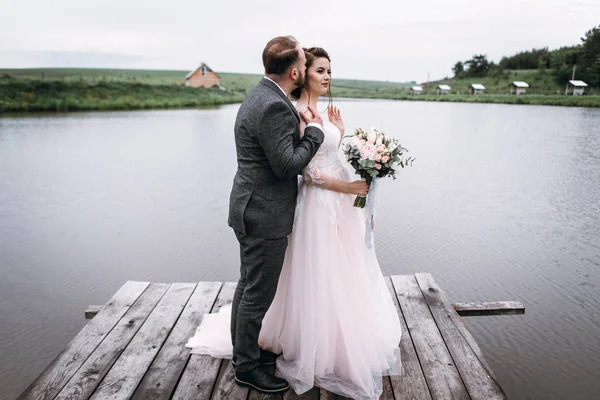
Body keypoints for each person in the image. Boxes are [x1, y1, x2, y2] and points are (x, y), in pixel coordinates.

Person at [256, 47, 402, 400]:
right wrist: (349, 187)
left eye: (329, 71)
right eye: (319, 70)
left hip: (341, 204)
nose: (326, 77)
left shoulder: (321, 113)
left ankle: (341, 332)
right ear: (303, 74)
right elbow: (308, 172)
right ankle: (314, 344)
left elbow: (329, 155)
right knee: (320, 271)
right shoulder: (296, 114)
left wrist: (341, 132)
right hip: (319, 204)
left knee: (345, 268)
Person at [227, 36, 324, 394]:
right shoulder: (273, 106)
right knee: (257, 293)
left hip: (249, 207)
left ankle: (245, 354)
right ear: (296, 71)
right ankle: (247, 368)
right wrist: (313, 134)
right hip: (263, 214)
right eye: (305, 62)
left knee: (248, 285)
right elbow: (287, 166)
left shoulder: (261, 94)